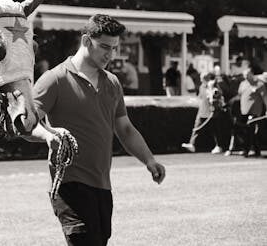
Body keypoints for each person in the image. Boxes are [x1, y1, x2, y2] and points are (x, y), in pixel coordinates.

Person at [27, 14, 166, 246]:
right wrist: (48, 136)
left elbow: (125, 129)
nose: (110, 55)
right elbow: (26, 125)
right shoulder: (53, 79)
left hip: (102, 186)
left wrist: (149, 161)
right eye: (104, 47)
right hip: (68, 186)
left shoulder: (112, 82)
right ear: (85, 41)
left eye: (114, 48)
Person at [181, 72, 225, 154]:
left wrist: (213, 98)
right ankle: (192, 144)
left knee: (215, 130)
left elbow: (218, 96)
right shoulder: (202, 87)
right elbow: (200, 97)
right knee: (196, 128)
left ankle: (219, 146)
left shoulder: (213, 86)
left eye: (202, 77)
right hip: (202, 111)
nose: (201, 79)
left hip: (211, 113)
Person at [236, 68, 267, 157]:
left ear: (251, 74)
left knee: (250, 129)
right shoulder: (243, 84)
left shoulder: (259, 84)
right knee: (244, 130)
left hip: (254, 111)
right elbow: (240, 95)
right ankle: (254, 149)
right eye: (245, 75)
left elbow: (265, 97)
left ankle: (247, 150)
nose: (246, 77)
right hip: (244, 111)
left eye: (247, 75)